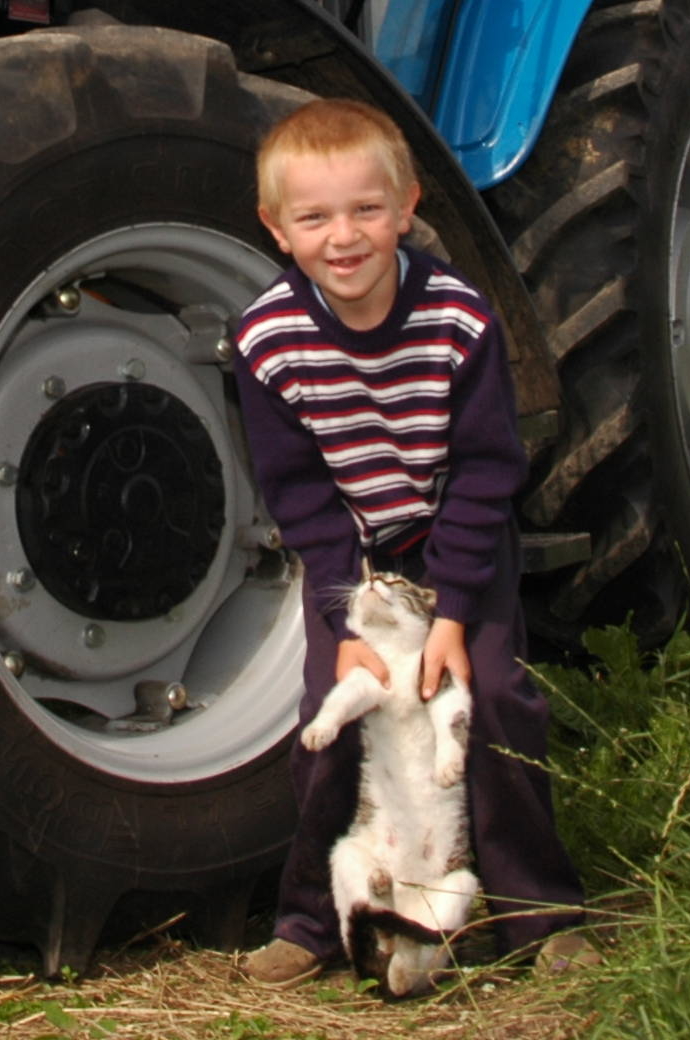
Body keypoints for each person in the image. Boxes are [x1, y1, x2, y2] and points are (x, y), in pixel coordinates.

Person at [229, 97, 592, 985]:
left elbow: (486, 471)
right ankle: (311, 924)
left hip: (456, 539)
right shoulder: (266, 341)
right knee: (332, 714)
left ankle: (540, 918)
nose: (343, 237)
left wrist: (456, 614)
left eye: (365, 209)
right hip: (356, 559)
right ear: (276, 228)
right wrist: (342, 622)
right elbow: (298, 493)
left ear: (406, 207)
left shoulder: (460, 321)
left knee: (492, 699)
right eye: (314, 217)